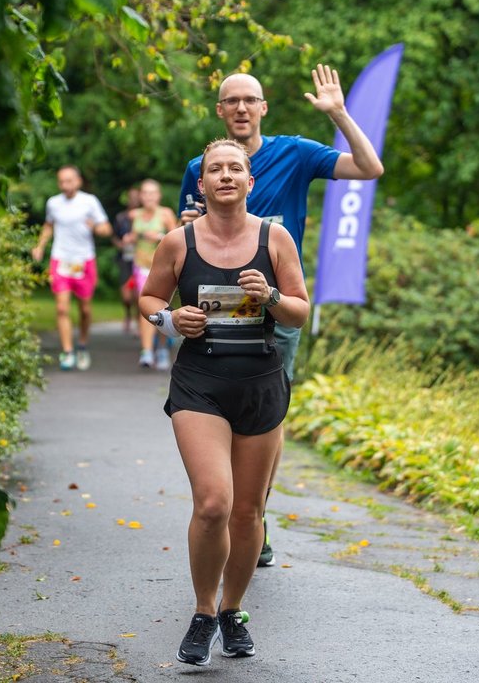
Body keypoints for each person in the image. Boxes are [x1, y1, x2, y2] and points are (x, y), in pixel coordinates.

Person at [178, 63, 384, 567]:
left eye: (251, 99)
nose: (242, 107)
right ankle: (226, 505)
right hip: (212, 307)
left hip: (271, 303)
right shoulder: (199, 166)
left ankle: (252, 516)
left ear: (263, 108)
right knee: (214, 405)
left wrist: (339, 114)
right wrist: (186, 223)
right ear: (221, 110)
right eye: (232, 101)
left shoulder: (295, 152)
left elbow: (369, 168)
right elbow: (183, 231)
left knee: (265, 408)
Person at [140, 139, 309, 666]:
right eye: (216, 169)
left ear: (250, 181)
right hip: (200, 383)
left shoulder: (275, 238)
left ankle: (233, 610)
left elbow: (300, 313)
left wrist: (273, 297)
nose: (226, 176)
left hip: (261, 384)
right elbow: (148, 299)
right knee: (213, 503)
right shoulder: (177, 241)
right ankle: (202, 611)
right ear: (203, 182)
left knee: (246, 511)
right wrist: (170, 321)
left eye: (236, 168)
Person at [31, 164, 112, 371]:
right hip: (61, 259)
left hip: (84, 260)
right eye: (61, 181)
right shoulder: (53, 203)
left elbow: (106, 228)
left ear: (78, 181)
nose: (65, 185)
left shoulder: (89, 201)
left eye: (69, 180)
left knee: (85, 309)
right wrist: (40, 246)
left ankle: (82, 345)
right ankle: (67, 352)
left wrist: (95, 227)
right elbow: (49, 225)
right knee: (61, 307)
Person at [123, 179, 178, 369]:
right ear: (140, 196)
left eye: (152, 193)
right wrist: (129, 238)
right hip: (141, 266)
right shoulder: (134, 215)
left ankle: (162, 348)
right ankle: (146, 352)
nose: (149, 197)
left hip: (162, 268)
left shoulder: (165, 214)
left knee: (161, 307)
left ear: (159, 195)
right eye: (145, 193)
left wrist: (159, 237)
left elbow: (177, 239)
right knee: (144, 306)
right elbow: (129, 238)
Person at [112, 186, 141, 335]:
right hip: (125, 259)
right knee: (126, 296)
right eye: (132, 197)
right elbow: (114, 237)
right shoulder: (121, 217)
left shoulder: (144, 216)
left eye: (137, 197)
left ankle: (137, 322)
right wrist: (121, 245)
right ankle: (128, 314)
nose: (134, 200)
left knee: (138, 294)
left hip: (141, 259)